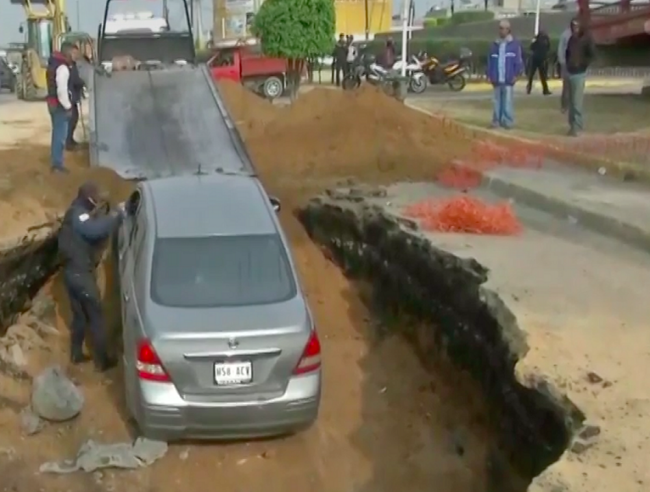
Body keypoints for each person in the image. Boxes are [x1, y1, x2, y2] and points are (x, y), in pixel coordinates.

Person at [58, 181, 124, 370]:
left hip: (72, 275)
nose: (97, 200)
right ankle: (103, 361)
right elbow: (94, 231)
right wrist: (114, 218)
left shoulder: (76, 212)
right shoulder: (78, 215)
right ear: (88, 198)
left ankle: (76, 354)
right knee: (96, 315)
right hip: (80, 275)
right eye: (95, 197)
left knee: (79, 316)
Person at [46, 42, 78, 173]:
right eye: (75, 53)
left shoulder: (53, 64)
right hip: (59, 106)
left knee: (57, 133)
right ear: (69, 53)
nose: (76, 56)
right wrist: (68, 106)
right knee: (60, 135)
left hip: (52, 103)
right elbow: (62, 91)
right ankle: (57, 165)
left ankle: (56, 162)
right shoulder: (63, 68)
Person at [486, 20, 524, 129]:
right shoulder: (494, 45)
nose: (502, 30)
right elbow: (490, 60)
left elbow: (518, 61)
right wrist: (489, 74)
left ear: (509, 30)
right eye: (500, 28)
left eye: (504, 28)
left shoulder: (514, 45)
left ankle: (507, 121)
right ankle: (496, 121)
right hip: (496, 78)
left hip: (508, 78)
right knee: (496, 102)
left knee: (507, 102)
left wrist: (516, 75)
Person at [565, 18, 595, 136]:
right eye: (573, 26)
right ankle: (572, 125)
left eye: (576, 26)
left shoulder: (586, 39)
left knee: (577, 102)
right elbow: (567, 53)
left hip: (579, 73)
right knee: (571, 102)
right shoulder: (571, 39)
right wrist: (568, 65)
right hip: (570, 71)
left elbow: (592, 55)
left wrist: (583, 64)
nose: (574, 29)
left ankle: (577, 126)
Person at [66, 44, 85, 151]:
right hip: (70, 96)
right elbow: (75, 80)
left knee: (74, 118)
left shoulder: (74, 65)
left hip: (73, 95)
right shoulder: (70, 67)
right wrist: (83, 82)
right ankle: (68, 142)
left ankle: (70, 139)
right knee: (72, 119)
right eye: (74, 53)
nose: (76, 55)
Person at [527, 28, 551, 95]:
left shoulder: (536, 39)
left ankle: (529, 88)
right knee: (542, 76)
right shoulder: (546, 39)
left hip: (536, 58)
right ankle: (545, 90)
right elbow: (548, 48)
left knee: (531, 75)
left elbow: (531, 47)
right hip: (541, 59)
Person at [557, 21, 573, 113]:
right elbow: (560, 49)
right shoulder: (565, 35)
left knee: (574, 87)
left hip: (575, 64)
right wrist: (562, 61)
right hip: (566, 64)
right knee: (566, 87)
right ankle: (564, 106)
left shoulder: (579, 35)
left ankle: (572, 105)